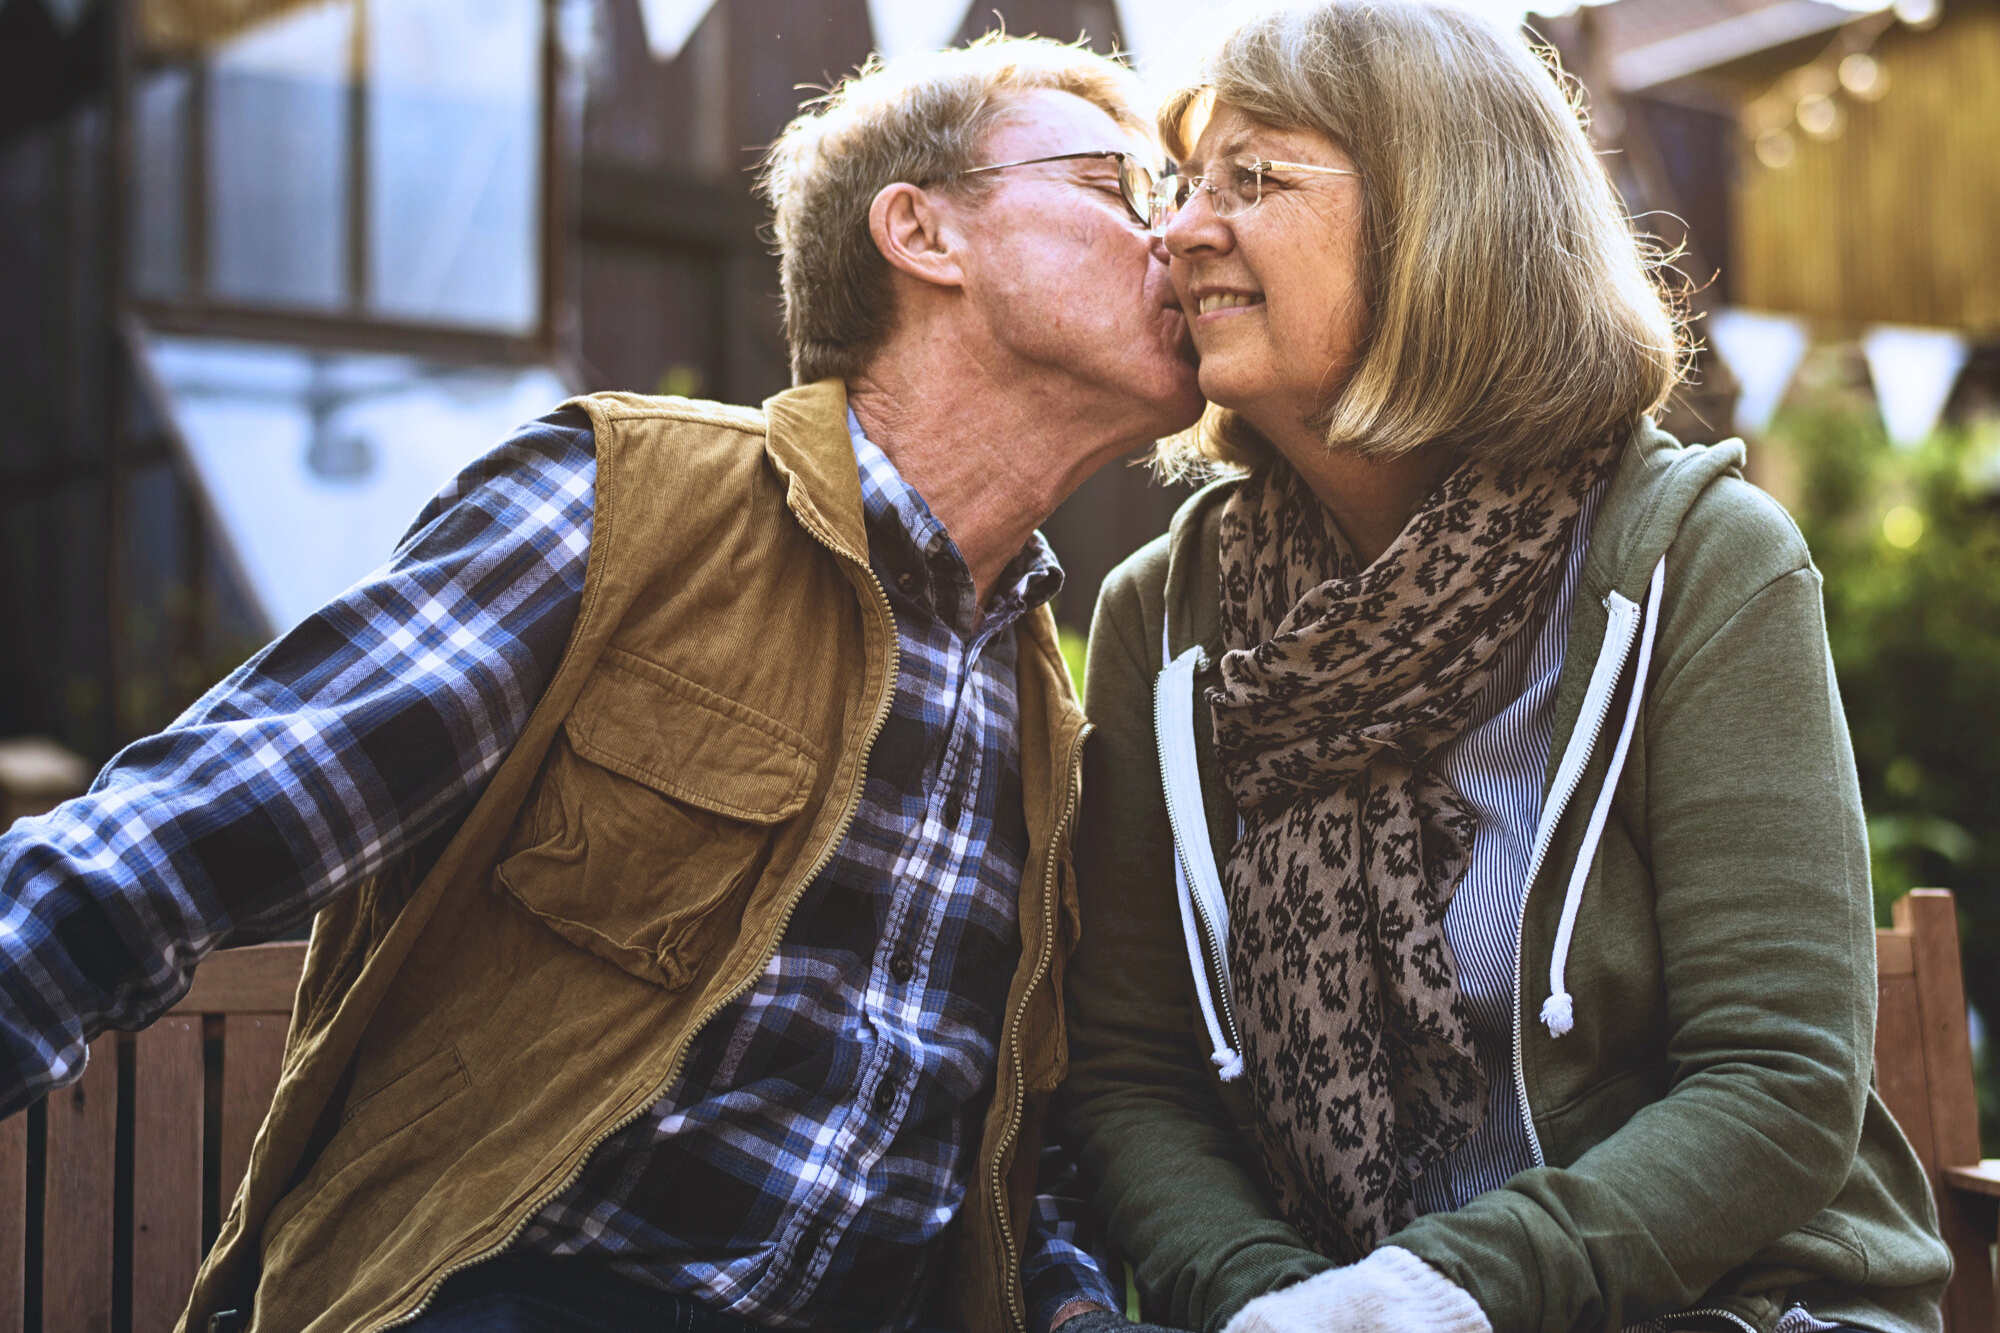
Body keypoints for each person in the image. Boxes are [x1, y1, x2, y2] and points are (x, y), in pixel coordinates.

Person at [0, 36, 1203, 1333]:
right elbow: (175, 839)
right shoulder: (628, 510)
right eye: (1126, 186)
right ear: (923, 234)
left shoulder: (1051, 733)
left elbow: (1025, 1177)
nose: (1182, 239)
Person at [1060, 5, 1950, 1333]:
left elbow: (1776, 1082)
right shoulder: (1162, 621)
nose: (1180, 231)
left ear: (1442, 225)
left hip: (1735, 1303)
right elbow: (1136, 1078)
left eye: (1253, 181)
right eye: (1187, 186)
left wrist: (1437, 1296)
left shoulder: (1699, 561)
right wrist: (1271, 1306)